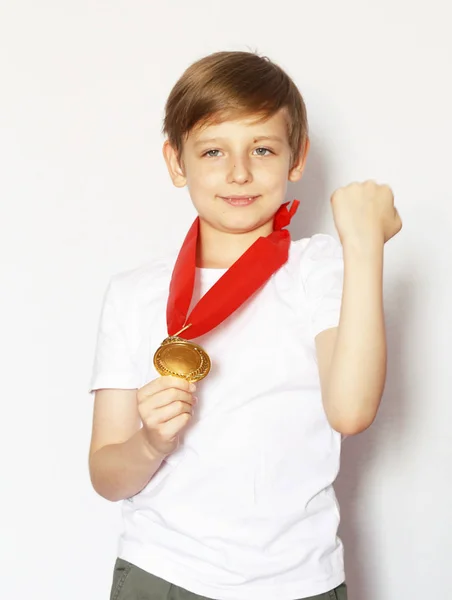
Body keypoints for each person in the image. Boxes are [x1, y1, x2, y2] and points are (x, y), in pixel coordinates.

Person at [88, 51, 402, 600]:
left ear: (296, 157)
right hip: (163, 574)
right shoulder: (133, 293)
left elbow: (350, 412)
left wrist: (365, 244)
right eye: (213, 151)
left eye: (262, 149)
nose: (239, 172)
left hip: (300, 580)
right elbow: (106, 475)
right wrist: (151, 443)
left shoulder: (320, 270)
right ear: (176, 161)